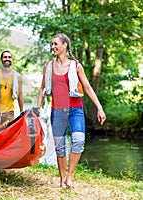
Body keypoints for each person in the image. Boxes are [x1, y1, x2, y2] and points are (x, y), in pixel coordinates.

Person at [36, 33, 106, 189]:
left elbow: (87, 87)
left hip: (75, 110)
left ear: (64, 45)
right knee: (60, 147)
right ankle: (62, 179)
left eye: (55, 44)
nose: (53, 47)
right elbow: (42, 89)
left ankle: (69, 176)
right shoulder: (48, 66)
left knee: (79, 141)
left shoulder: (76, 66)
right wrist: (36, 109)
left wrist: (99, 108)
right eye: (52, 44)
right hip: (57, 111)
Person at [0, 50, 23, 125]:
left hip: (9, 113)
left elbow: (20, 95)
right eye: (5, 57)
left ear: (12, 60)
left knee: (9, 136)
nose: (7, 59)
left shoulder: (17, 76)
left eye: (9, 57)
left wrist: (21, 112)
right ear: (1, 59)